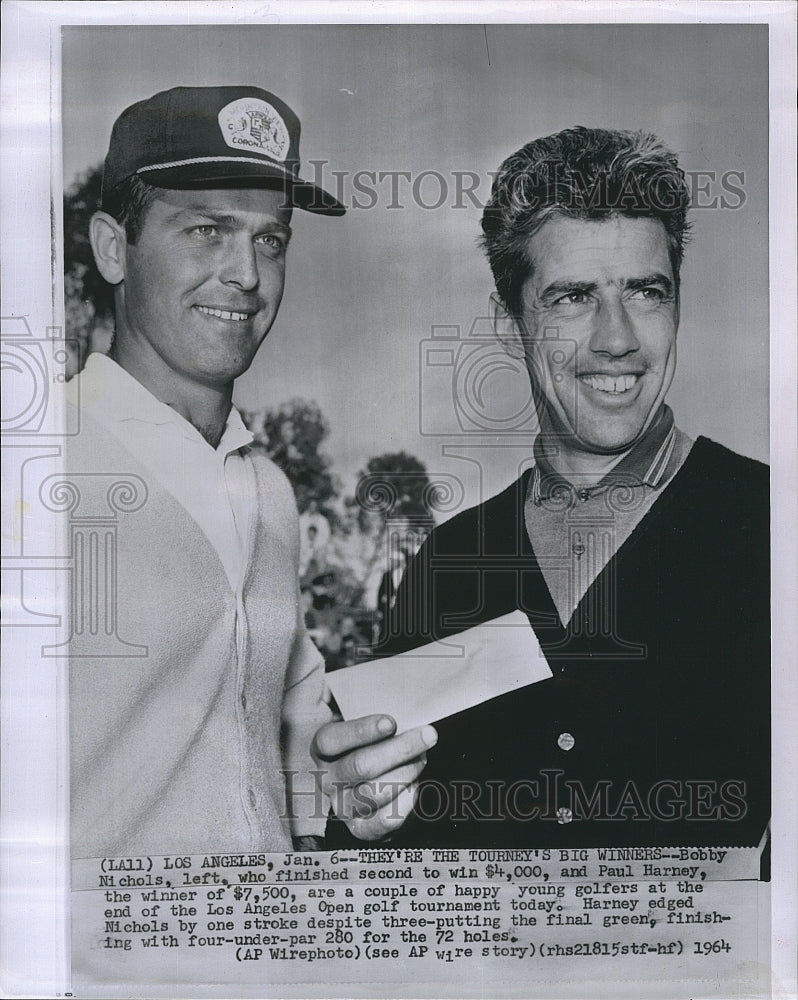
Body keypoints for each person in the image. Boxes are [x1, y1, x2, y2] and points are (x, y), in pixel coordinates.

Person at [65, 85, 435, 859]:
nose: (246, 274)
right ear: (110, 248)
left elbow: (290, 733)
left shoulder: (267, 489)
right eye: (205, 230)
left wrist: (346, 788)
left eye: (271, 241)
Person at [380, 127, 769, 849]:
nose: (615, 338)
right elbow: (387, 843)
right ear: (511, 326)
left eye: (646, 292)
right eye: (572, 298)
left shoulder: (775, 529)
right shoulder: (446, 566)